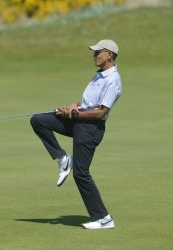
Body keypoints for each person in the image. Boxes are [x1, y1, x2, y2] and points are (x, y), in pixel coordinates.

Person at [30, 39, 122, 230]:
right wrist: (74, 106)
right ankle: (62, 158)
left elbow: (101, 112)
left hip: (91, 129)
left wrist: (74, 113)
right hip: (80, 122)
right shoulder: (99, 75)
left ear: (110, 55)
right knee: (38, 120)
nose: (95, 55)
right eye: (94, 52)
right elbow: (89, 103)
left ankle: (103, 218)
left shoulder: (113, 80)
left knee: (81, 174)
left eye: (99, 52)